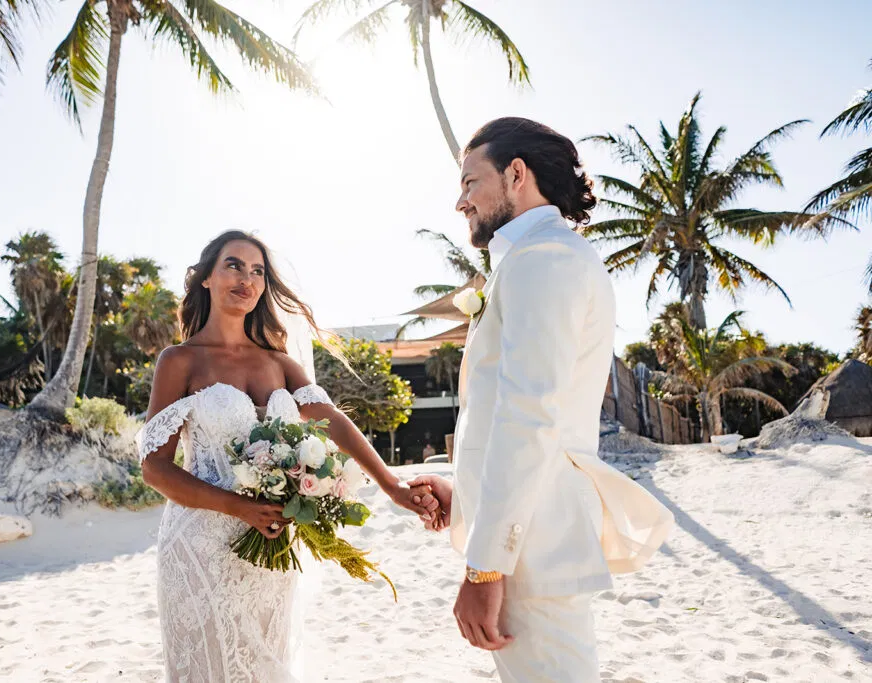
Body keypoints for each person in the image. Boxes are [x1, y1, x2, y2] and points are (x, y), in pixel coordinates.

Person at [410, 118, 674, 683]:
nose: (460, 202)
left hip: (531, 550)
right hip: (529, 537)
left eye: (469, 182)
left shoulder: (544, 260)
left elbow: (530, 418)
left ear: (516, 173)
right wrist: (463, 495)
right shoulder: (541, 257)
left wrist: (485, 568)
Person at [136, 231, 434, 682]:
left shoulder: (279, 363)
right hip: (201, 547)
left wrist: (391, 484)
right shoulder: (180, 361)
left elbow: (332, 421)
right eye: (234, 265)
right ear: (205, 280)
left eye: (257, 271)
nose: (247, 279)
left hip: (270, 548)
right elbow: (155, 468)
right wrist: (238, 506)